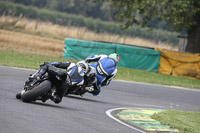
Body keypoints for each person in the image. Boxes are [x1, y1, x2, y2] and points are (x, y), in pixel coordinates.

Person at [27, 60, 95, 103]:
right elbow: (70, 91)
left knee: (46, 64)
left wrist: (51, 65)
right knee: (57, 100)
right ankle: (49, 95)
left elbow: (59, 64)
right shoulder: (81, 81)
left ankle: (37, 76)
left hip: (61, 76)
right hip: (63, 84)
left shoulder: (73, 65)